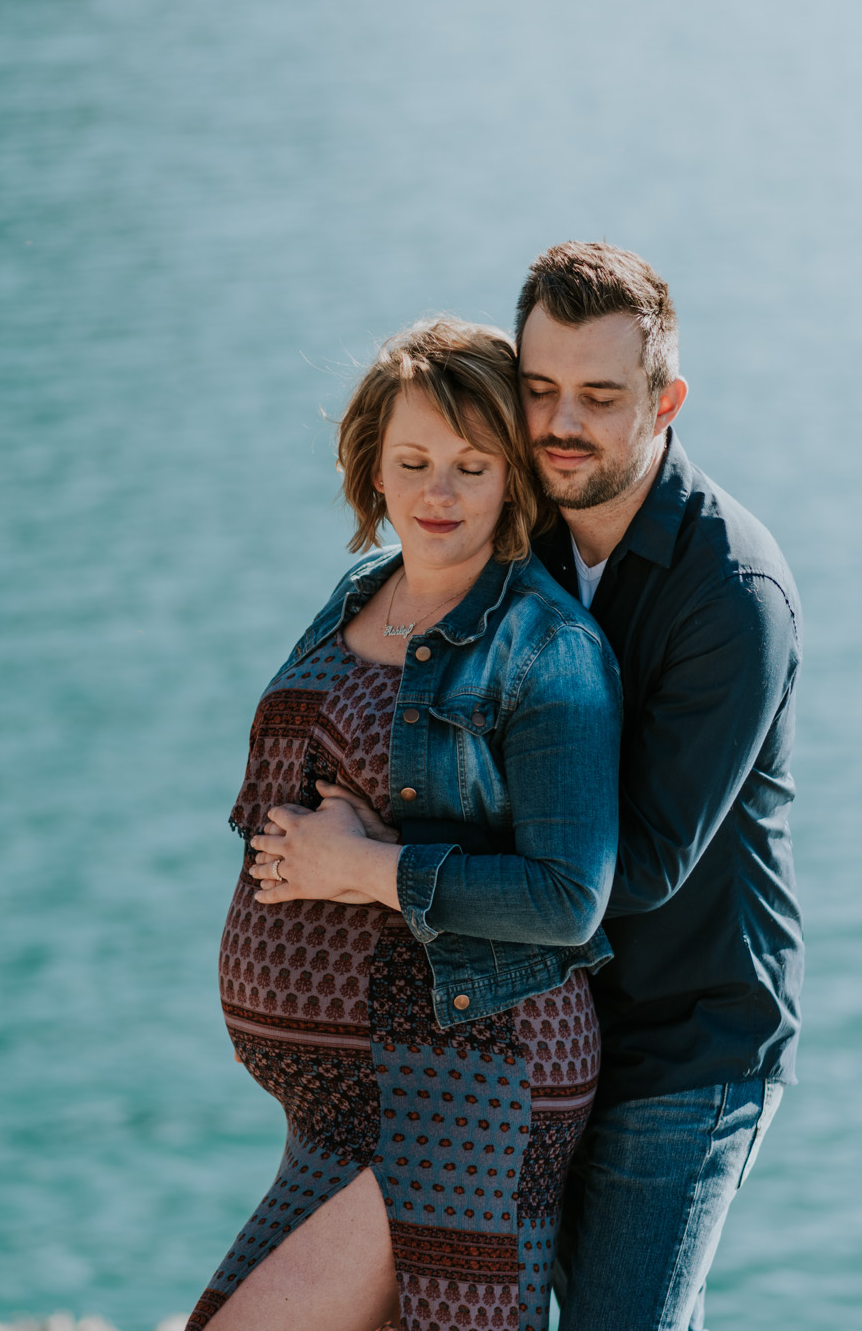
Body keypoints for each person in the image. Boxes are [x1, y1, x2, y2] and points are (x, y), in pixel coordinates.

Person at [188, 317, 624, 1331]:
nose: (438, 492)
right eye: (414, 461)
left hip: (471, 1072)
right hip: (341, 1104)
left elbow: (568, 896)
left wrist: (362, 868)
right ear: (371, 471)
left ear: (512, 479)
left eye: (470, 466)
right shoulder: (358, 592)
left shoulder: (544, 646)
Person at [516, 242, 803, 1331]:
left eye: (597, 396)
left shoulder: (731, 590)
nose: (559, 423)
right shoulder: (517, 530)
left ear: (664, 400)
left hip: (688, 1046)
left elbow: (630, 866)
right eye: (537, 389)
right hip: (544, 1025)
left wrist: (395, 872)